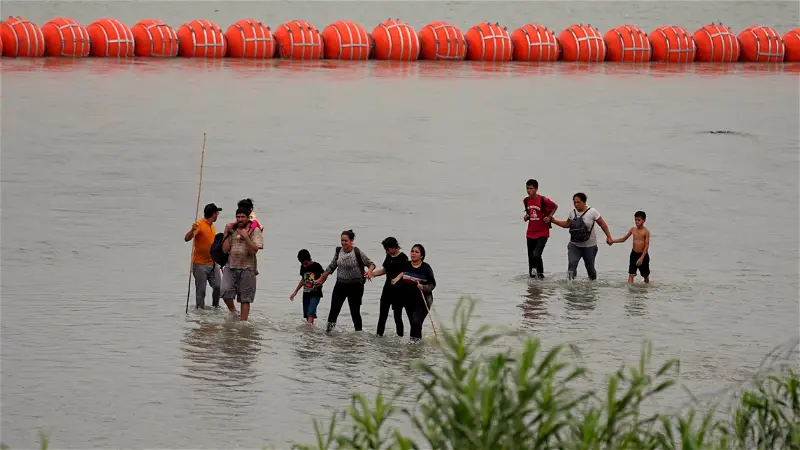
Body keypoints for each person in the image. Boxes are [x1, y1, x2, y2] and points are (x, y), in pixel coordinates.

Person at [314, 230, 376, 333]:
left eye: (345, 241)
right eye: (342, 240)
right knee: (334, 310)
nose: (343, 243)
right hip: (340, 285)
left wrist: (369, 271)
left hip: (356, 286)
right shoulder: (339, 251)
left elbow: (371, 263)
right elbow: (331, 267)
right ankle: (329, 332)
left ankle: (358, 334)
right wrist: (321, 279)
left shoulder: (357, 252)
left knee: (355, 311)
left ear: (351, 241)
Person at [551, 193, 613, 281]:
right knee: (572, 265)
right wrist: (554, 221)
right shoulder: (572, 213)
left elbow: (603, 225)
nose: (576, 205)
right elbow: (567, 224)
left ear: (584, 202)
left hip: (590, 246)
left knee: (590, 268)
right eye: (574, 202)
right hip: (574, 245)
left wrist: (609, 237)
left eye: (578, 202)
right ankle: (570, 285)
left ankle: (592, 286)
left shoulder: (592, 212)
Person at [221, 206, 264, 321]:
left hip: (248, 268)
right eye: (238, 217)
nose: (240, 219)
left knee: (245, 298)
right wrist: (226, 233)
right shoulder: (232, 229)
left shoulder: (255, 230)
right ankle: (234, 311)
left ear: (248, 217)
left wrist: (246, 237)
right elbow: (225, 250)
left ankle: (243, 322)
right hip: (231, 266)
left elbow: (253, 250)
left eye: (242, 217)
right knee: (225, 291)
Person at [391, 244, 436, 344]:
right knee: (414, 324)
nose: (413, 253)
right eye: (412, 251)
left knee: (416, 322)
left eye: (416, 252)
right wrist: (396, 280)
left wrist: (423, 287)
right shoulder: (407, 265)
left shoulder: (426, 268)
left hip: (423, 300)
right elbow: (403, 273)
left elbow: (433, 284)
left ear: (422, 256)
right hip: (409, 300)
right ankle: (416, 345)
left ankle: (414, 345)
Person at [184, 203, 223, 309]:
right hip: (200, 264)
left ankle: (215, 308)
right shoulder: (200, 225)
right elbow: (187, 238)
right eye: (217, 213)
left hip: (213, 263)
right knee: (201, 292)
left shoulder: (212, 226)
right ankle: (200, 312)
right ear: (213, 214)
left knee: (218, 287)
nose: (218, 214)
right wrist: (192, 230)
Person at [372, 237, 409, 337]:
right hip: (387, 289)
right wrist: (372, 274)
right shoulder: (388, 256)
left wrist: (397, 278)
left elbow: (405, 271)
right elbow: (385, 270)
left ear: (394, 247)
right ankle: (378, 337)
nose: (386, 251)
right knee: (382, 316)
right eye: (385, 249)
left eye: (387, 249)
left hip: (399, 290)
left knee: (397, 317)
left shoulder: (403, 257)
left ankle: (400, 338)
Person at [522, 179, 558, 278]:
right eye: (527, 188)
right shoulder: (526, 200)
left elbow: (555, 206)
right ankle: (534, 278)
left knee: (536, 255)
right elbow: (530, 213)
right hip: (530, 232)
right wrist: (527, 217)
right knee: (531, 256)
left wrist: (550, 217)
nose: (529, 191)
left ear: (536, 189)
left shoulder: (544, 200)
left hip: (542, 232)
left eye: (531, 188)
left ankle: (540, 275)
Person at [611, 211, 651, 284]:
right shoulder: (633, 229)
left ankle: (646, 289)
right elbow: (623, 239)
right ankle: (630, 291)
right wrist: (612, 241)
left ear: (644, 220)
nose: (636, 222)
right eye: (635, 220)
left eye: (639, 220)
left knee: (645, 275)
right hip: (634, 254)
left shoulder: (646, 231)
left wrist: (641, 258)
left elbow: (647, 245)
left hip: (643, 255)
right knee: (631, 274)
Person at [290, 249, 325, 325]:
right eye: (302, 263)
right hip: (306, 294)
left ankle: (309, 330)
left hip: (316, 293)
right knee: (307, 314)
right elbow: (303, 280)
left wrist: (320, 281)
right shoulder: (302, 267)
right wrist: (295, 291)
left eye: (305, 263)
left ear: (308, 259)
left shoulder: (317, 266)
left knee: (311, 313)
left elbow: (324, 275)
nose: (304, 265)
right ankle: (310, 332)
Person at [237, 198, 263, 275]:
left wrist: (247, 233)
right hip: (251, 228)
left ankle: (254, 268)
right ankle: (255, 268)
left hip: (254, 227)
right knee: (251, 253)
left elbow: (254, 223)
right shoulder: (246, 214)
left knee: (252, 251)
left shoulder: (251, 214)